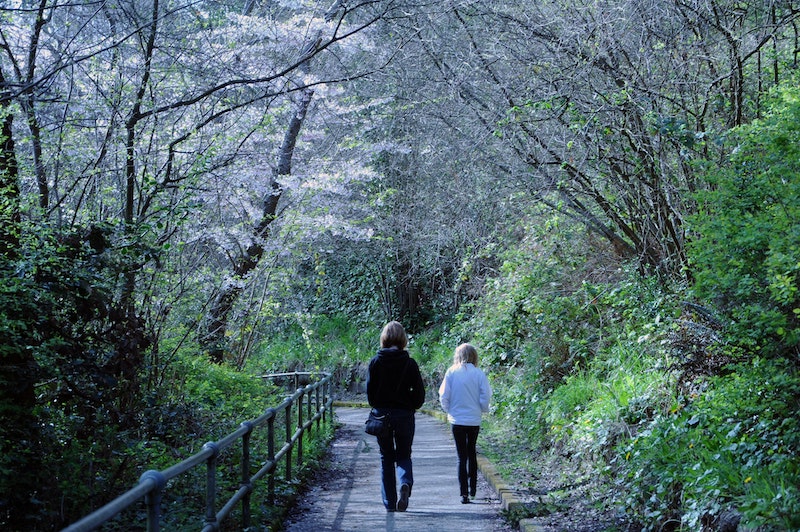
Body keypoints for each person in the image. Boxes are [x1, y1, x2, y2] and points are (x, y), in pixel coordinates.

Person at [366, 321, 426, 512]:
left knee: (386, 458)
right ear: (403, 339)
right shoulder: (410, 363)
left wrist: (378, 406)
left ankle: (390, 504)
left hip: (382, 416)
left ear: (384, 338)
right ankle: (405, 482)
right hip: (404, 415)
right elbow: (419, 393)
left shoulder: (375, 362)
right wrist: (411, 406)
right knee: (404, 454)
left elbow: (370, 393)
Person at [438, 343, 492, 504]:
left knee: (461, 457)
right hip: (473, 419)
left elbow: (443, 395)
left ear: (458, 356)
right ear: (474, 356)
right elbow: (485, 396)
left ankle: (464, 494)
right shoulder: (479, 374)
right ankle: (473, 489)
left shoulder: (451, 372)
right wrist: (482, 409)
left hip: (457, 420)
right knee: (472, 453)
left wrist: (449, 410)